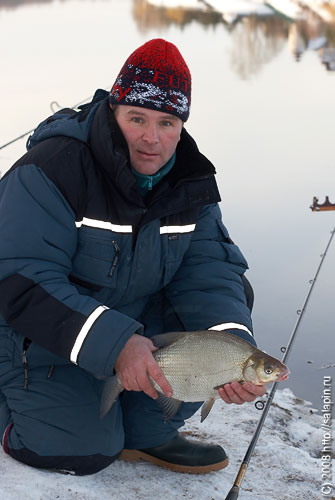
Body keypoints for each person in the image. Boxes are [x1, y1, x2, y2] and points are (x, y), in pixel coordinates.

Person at [0, 38, 265, 476]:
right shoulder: (54, 167)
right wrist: (116, 343)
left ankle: (146, 433)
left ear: (181, 125)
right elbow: (21, 276)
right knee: (79, 450)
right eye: (136, 118)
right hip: (39, 335)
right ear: (112, 112)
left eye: (167, 123)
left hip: (130, 328)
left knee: (234, 295)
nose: (151, 138)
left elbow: (209, 272)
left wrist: (235, 353)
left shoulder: (189, 180)